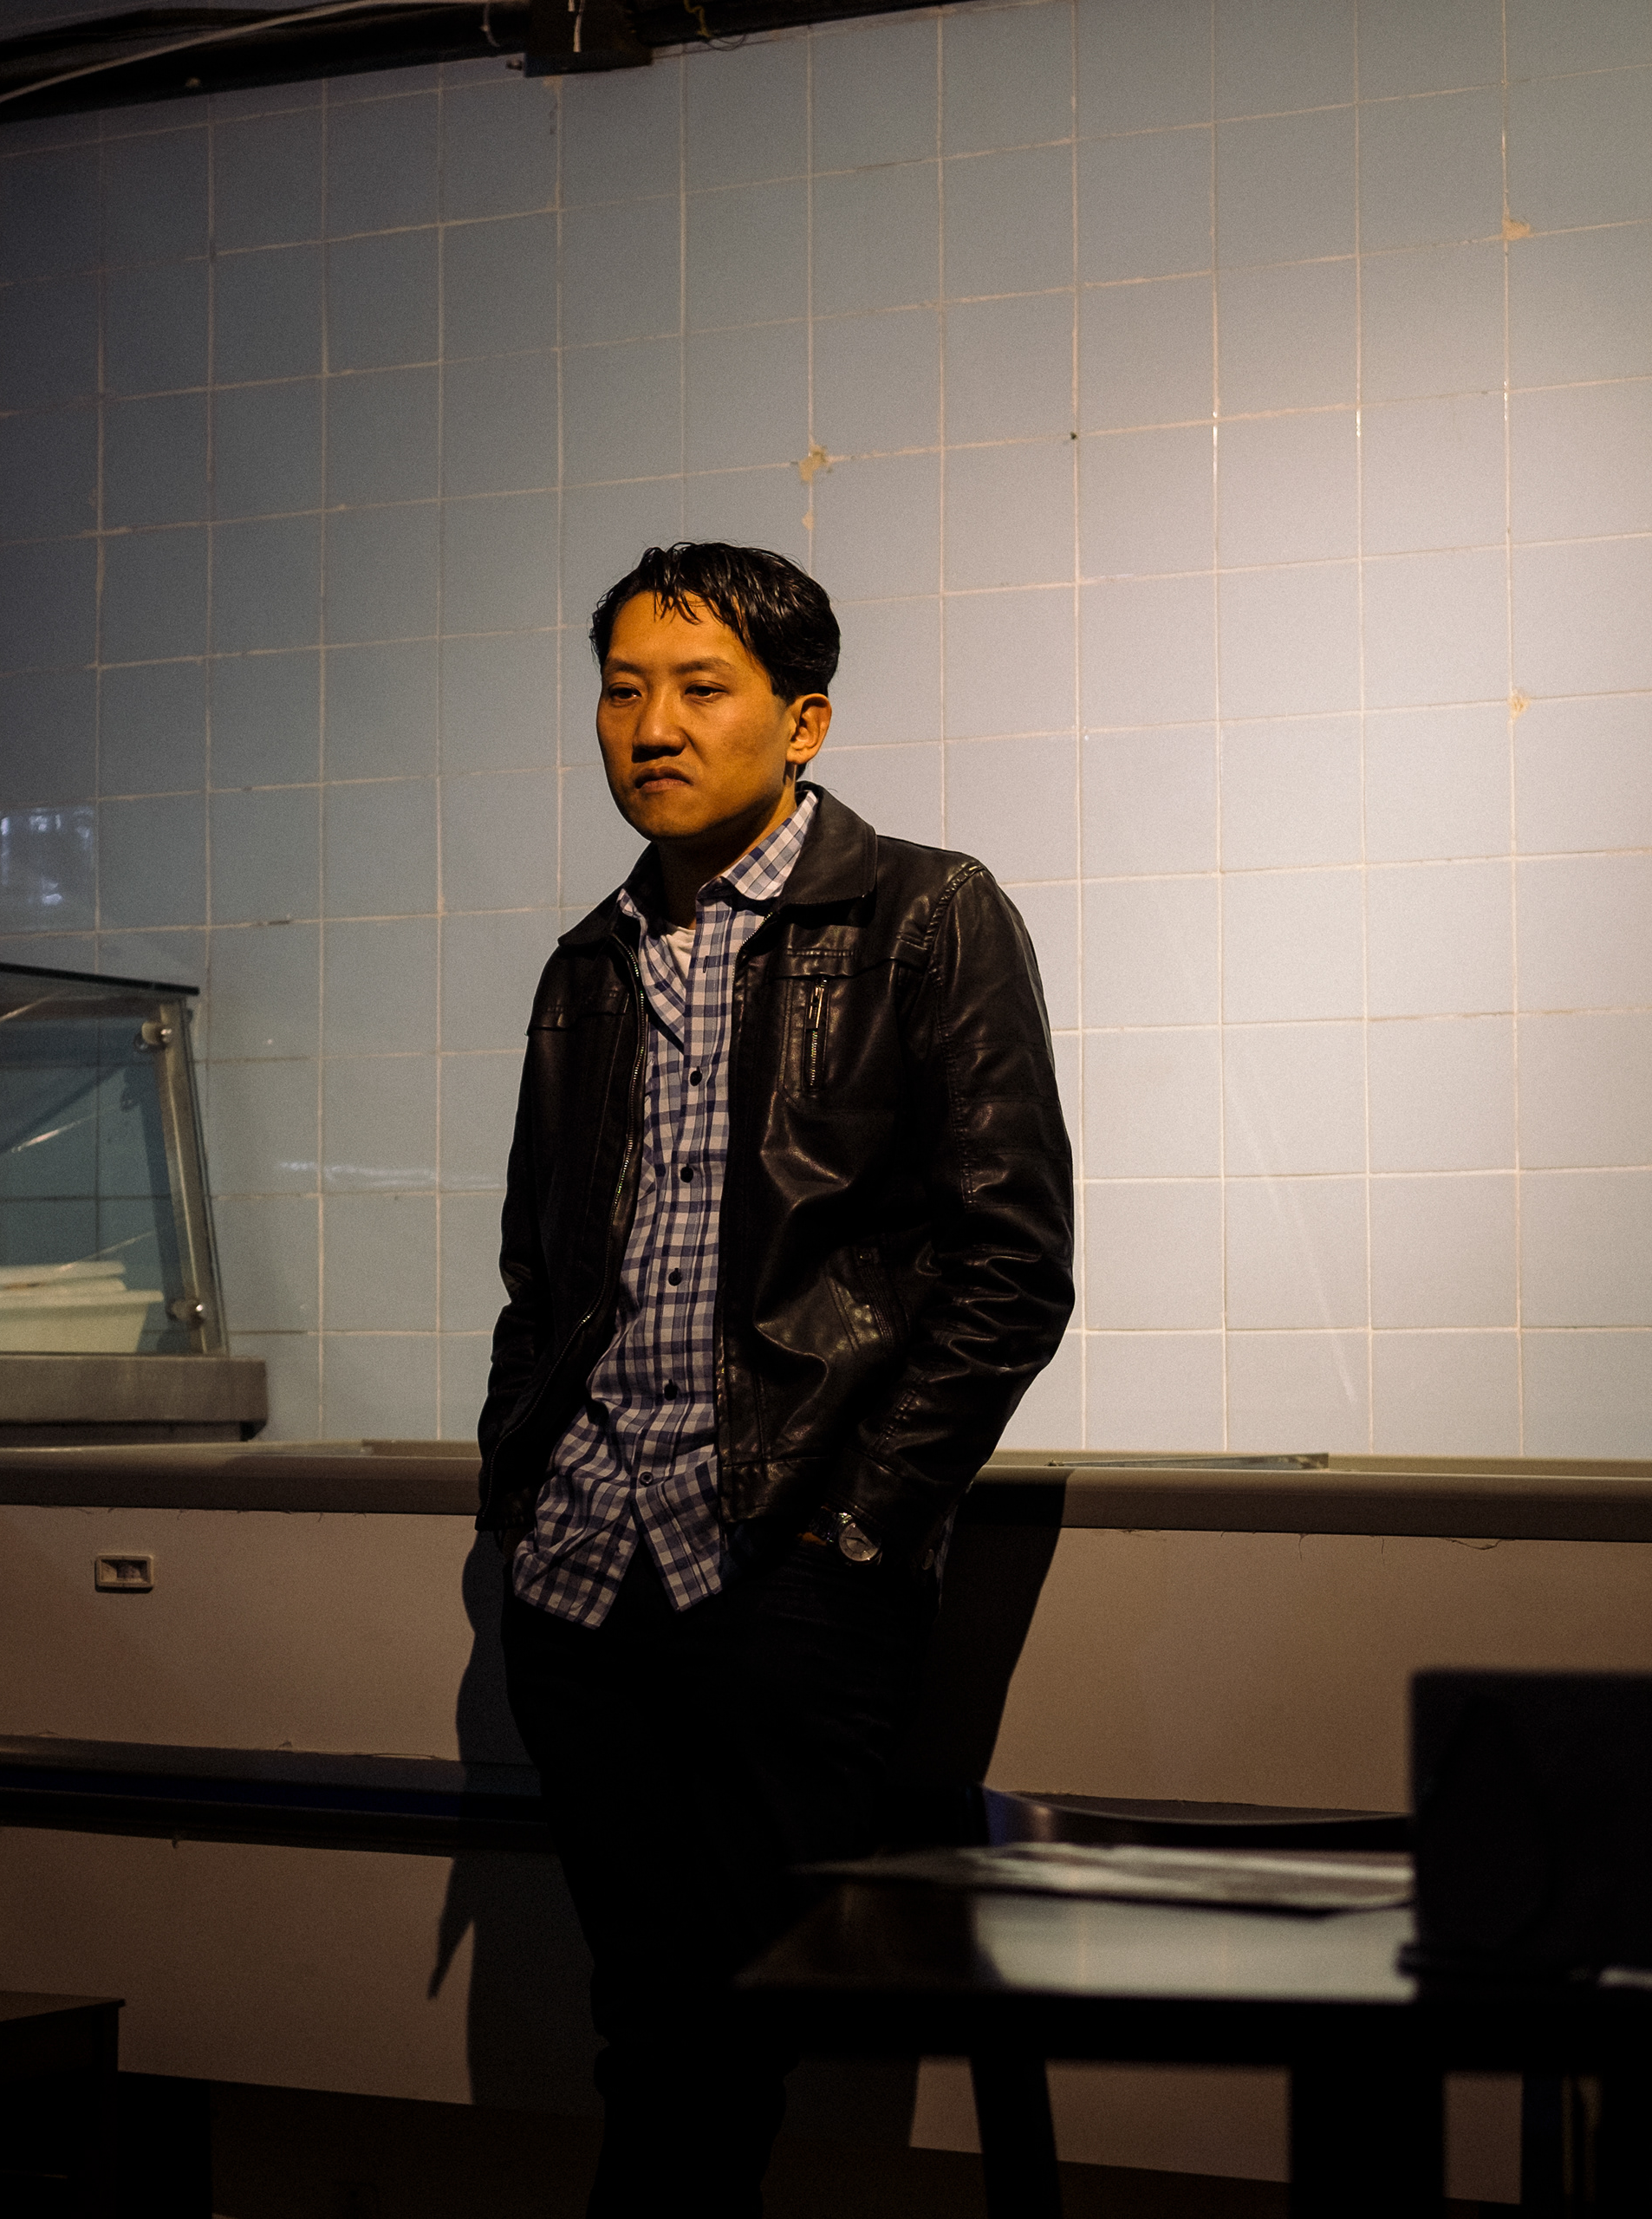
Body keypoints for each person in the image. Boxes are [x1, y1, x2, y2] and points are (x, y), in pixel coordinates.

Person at [478, 542, 1076, 2214]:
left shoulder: (926, 917)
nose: (651, 727)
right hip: (582, 1579)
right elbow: (540, 1282)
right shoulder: (588, 964)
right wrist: (516, 1496)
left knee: (724, 2025)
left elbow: (1012, 1266)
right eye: (623, 689)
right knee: (647, 2016)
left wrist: (857, 1532)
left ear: (803, 721)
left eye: (700, 688)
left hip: (786, 1563)